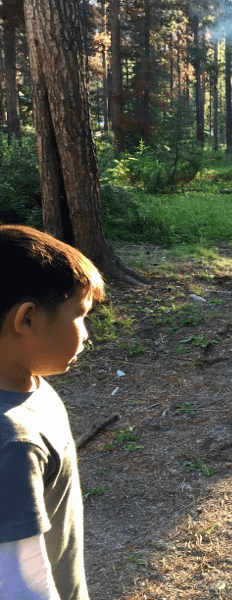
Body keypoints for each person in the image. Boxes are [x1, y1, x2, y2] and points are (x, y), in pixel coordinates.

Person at [0, 224, 105, 600]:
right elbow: (20, 586)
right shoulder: (13, 443)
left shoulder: (27, 384)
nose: (86, 332)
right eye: (79, 315)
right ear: (26, 319)